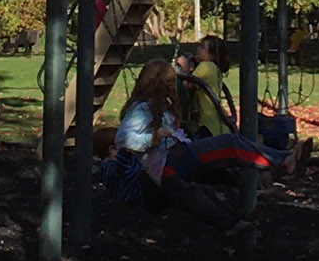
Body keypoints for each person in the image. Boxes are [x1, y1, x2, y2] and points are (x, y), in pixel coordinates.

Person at [102, 62, 294, 232]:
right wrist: (153, 137)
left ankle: (236, 220)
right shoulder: (142, 108)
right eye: (171, 82)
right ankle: (282, 160)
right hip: (171, 161)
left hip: (169, 169)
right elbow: (123, 138)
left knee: (205, 190)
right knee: (230, 144)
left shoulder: (158, 107)